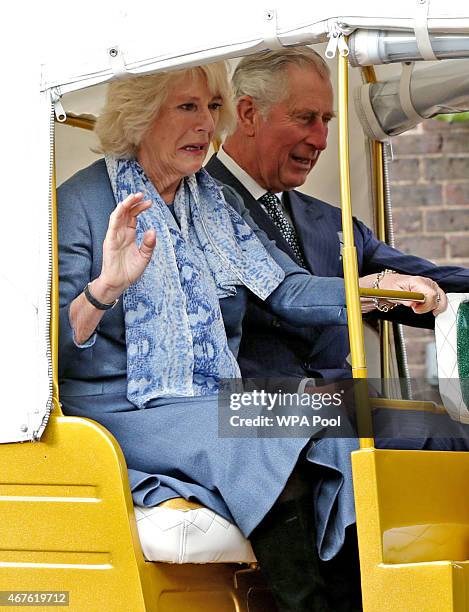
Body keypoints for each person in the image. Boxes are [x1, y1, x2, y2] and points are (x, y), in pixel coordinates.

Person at [58, 61, 445, 612]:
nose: (207, 125)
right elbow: (55, 349)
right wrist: (106, 288)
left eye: (212, 108)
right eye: (188, 107)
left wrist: (368, 289)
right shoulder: (81, 202)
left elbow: (284, 289)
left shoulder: (213, 201)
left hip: (208, 396)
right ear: (140, 115)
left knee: (344, 421)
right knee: (262, 433)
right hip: (121, 405)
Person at [205, 47, 469, 381]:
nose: (321, 140)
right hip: (250, 420)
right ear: (247, 114)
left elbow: (424, 283)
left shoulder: (332, 222)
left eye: (326, 120)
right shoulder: (192, 209)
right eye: (305, 118)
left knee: (452, 433)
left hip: (350, 412)